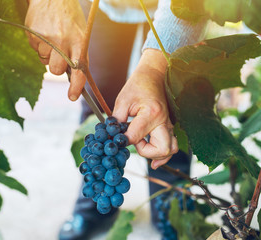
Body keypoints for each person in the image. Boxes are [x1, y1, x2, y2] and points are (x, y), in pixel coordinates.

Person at [25, 0, 206, 239]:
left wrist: (154, 69)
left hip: (174, 7)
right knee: (99, 98)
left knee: (167, 103)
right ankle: (97, 196)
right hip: (103, 6)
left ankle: (172, 203)